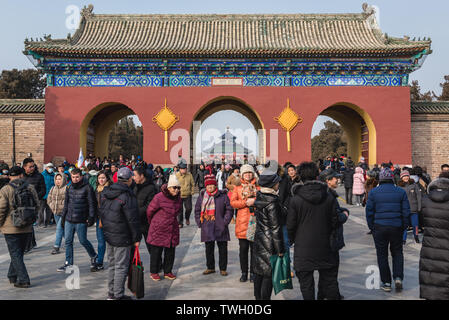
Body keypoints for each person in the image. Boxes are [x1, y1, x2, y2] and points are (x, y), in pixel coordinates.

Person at [287, 162, 339, 300]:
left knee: (306, 284)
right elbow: (334, 221)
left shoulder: (295, 199)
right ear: (317, 175)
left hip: (303, 246)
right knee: (328, 280)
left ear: (300, 176)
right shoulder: (329, 197)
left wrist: (292, 239)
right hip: (325, 245)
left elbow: (290, 225)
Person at [99, 167, 141, 300]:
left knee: (112, 264)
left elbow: (103, 213)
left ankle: (111, 293)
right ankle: (118, 295)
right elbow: (132, 219)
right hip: (122, 236)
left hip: (109, 234)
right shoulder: (127, 196)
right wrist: (137, 237)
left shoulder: (107, 192)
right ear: (129, 179)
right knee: (121, 266)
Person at [365, 168, 410, 292]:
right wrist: (404, 226)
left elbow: (369, 211)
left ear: (380, 179)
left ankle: (386, 282)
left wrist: (371, 227)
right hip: (396, 226)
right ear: (392, 179)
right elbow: (406, 211)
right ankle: (398, 277)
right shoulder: (400, 192)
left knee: (382, 255)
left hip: (379, 227)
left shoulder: (374, 192)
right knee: (397, 252)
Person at [0, 166, 40, 288]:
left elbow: (1, 209)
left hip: (10, 227)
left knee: (15, 253)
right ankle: (12, 275)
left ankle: (23, 279)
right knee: (18, 253)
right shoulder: (30, 187)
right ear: (22, 175)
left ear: (10, 176)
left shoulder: (6, 189)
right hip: (27, 226)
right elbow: (37, 206)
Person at [57, 168, 98, 272]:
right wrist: (63, 217)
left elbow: (92, 204)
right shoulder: (69, 187)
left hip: (81, 219)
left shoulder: (87, 188)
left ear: (81, 177)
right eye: (73, 177)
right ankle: (68, 263)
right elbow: (66, 204)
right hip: (69, 219)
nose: (75, 179)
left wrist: (91, 217)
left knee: (83, 240)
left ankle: (93, 255)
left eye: (77, 177)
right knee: (68, 241)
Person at [252, 169, 284, 300]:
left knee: (259, 272)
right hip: (270, 243)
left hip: (259, 239)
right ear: (272, 184)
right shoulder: (273, 201)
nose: (278, 185)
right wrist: (280, 249)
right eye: (277, 183)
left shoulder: (260, 197)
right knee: (268, 274)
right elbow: (275, 228)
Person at [318, 168, 348, 300]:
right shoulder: (328, 195)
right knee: (331, 271)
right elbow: (335, 218)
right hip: (330, 239)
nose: (338, 179)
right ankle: (332, 295)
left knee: (326, 272)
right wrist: (344, 215)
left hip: (325, 239)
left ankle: (323, 295)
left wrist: (343, 210)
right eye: (335, 178)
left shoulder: (323, 194)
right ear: (328, 181)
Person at [195, 174, 233, 276]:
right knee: (209, 248)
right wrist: (200, 222)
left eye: (212, 185)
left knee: (223, 248)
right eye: (208, 185)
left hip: (221, 225)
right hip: (207, 225)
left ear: (215, 186)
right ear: (206, 186)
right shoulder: (202, 196)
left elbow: (229, 209)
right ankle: (210, 267)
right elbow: (197, 210)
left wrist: (225, 221)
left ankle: (223, 268)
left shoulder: (223, 196)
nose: (210, 187)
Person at [419, 171, 449, 300]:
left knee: (430, 277)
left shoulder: (425, 199)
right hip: (446, 248)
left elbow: (422, 222)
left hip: (429, 247)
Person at [146, 174, 182, 281]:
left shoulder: (178, 199)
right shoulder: (159, 197)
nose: (176, 190)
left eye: (178, 188)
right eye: (174, 187)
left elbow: (178, 211)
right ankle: (154, 272)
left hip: (172, 228)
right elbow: (149, 211)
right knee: (156, 252)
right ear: (169, 187)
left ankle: (168, 271)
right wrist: (154, 223)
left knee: (170, 251)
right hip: (159, 228)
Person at [230, 164, 260, 283]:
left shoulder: (257, 187)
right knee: (243, 250)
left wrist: (255, 201)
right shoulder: (237, 188)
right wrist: (245, 202)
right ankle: (244, 272)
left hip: (254, 221)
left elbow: (262, 200)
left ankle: (253, 272)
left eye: (250, 173)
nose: (248, 175)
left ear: (253, 174)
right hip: (242, 222)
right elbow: (233, 203)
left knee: (254, 250)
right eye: (245, 173)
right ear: (242, 175)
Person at [132, 166, 156, 259]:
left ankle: (157, 265)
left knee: (151, 245)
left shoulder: (151, 188)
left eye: (135, 175)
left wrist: (136, 213)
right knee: (133, 246)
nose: (133, 178)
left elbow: (149, 206)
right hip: (136, 222)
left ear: (142, 176)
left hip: (147, 223)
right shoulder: (135, 187)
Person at [22, 158, 46, 253]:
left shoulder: (39, 176)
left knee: (29, 222)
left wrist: (35, 197)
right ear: (24, 167)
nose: (32, 168)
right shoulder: (21, 176)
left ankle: (27, 246)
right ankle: (32, 242)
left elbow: (43, 190)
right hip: (22, 203)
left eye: (33, 166)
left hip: (34, 203)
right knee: (26, 223)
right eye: (30, 166)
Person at [91, 170, 112, 271]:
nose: (101, 180)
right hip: (99, 219)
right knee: (101, 242)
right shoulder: (97, 190)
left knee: (112, 242)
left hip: (110, 219)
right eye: (99, 178)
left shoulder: (111, 189)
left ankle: (115, 261)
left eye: (103, 178)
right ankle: (100, 262)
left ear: (107, 178)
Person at [397, 170, 421, 244]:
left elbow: (419, 196)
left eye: (407, 176)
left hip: (414, 209)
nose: (406, 177)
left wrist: (419, 207)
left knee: (415, 225)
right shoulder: (399, 187)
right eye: (404, 176)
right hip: (404, 210)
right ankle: (403, 239)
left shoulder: (414, 185)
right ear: (401, 177)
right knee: (404, 225)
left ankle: (416, 236)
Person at [47, 172, 68, 255]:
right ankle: (68, 243)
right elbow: (49, 199)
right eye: (56, 179)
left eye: (59, 179)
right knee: (63, 230)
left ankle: (56, 247)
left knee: (59, 229)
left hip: (64, 213)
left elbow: (68, 201)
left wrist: (63, 207)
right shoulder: (53, 188)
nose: (58, 181)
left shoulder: (67, 188)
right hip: (55, 212)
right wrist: (52, 206)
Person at [176, 162, 194, 228]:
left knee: (189, 208)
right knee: (179, 210)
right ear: (180, 169)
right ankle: (180, 223)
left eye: (185, 169)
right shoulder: (176, 175)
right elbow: (174, 184)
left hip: (188, 194)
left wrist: (192, 191)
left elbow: (192, 184)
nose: (184, 170)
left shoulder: (189, 175)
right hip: (179, 195)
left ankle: (187, 218)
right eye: (183, 169)